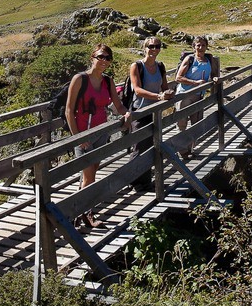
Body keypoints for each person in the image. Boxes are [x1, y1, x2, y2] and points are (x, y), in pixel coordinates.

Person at [65, 45, 130, 228]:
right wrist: (77, 137)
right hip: (83, 135)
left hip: (101, 134)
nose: (104, 61)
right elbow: (69, 111)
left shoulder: (107, 81)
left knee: (91, 174)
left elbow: (118, 106)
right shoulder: (80, 79)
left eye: (108, 58)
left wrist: (126, 114)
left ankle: (80, 214)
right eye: (101, 56)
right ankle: (84, 215)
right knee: (88, 178)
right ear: (92, 57)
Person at [127, 37, 175, 187]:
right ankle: (132, 180)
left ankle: (145, 181)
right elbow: (137, 90)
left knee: (152, 145)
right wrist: (159, 96)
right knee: (139, 147)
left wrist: (169, 93)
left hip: (155, 111)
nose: (154, 49)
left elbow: (164, 85)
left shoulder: (160, 66)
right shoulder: (137, 66)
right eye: (151, 46)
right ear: (145, 48)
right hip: (140, 111)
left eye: (157, 46)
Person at [172, 35, 220, 154]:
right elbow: (178, 77)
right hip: (184, 95)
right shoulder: (190, 59)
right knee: (182, 123)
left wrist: (214, 78)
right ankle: (182, 150)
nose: (201, 47)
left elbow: (214, 74)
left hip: (199, 96)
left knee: (197, 124)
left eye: (203, 45)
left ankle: (190, 148)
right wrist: (195, 83)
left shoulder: (209, 59)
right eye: (198, 45)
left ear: (206, 47)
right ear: (193, 47)